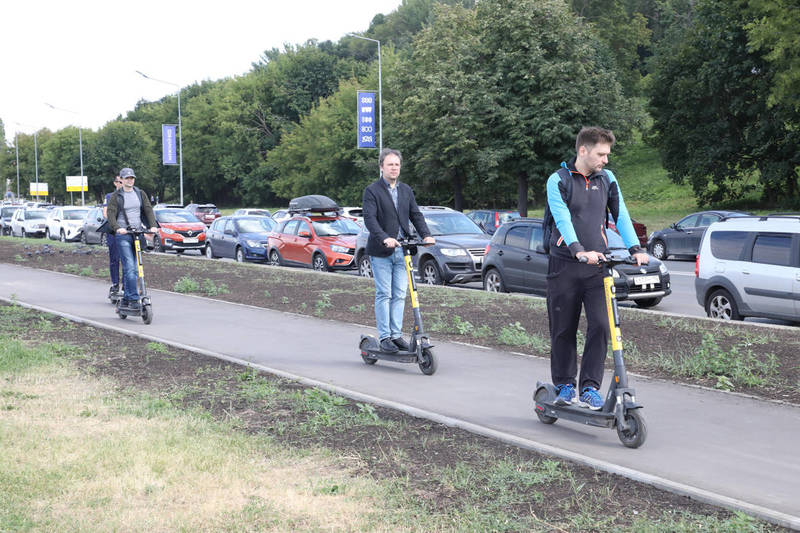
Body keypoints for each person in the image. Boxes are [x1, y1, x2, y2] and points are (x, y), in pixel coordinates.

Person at [546, 127, 648, 410]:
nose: (605, 159)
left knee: (602, 325)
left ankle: (590, 387)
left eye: (607, 154)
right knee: (563, 328)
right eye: (601, 154)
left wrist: (635, 249)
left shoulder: (607, 179)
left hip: (598, 267)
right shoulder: (558, 181)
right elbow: (563, 220)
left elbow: (621, 214)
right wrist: (578, 251)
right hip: (565, 265)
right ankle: (565, 385)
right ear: (583, 150)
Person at [362, 148, 435, 353]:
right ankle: (385, 337)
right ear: (381, 167)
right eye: (390, 164)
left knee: (400, 294)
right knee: (384, 294)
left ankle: (396, 335)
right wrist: (384, 238)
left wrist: (426, 235)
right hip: (381, 251)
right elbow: (370, 219)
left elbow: (416, 215)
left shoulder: (406, 190)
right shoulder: (372, 191)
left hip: (404, 250)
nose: (394, 168)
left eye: (397, 165)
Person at [106, 168, 158, 311]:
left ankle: (127, 298)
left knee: (135, 269)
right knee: (130, 268)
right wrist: (117, 228)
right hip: (123, 235)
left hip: (137, 234)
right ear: (121, 180)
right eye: (127, 178)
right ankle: (134, 299)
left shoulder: (140, 194)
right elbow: (110, 215)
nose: (130, 180)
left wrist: (152, 226)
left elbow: (148, 210)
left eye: (132, 178)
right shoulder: (116, 196)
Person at [103, 175, 123, 296]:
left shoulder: (132, 196)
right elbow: (105, 213)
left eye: (123, 181)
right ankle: (115, 284)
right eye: (118, 182)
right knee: (114, 259)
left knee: (128, 260)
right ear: (115, 183)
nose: (121, 183)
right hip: (114, 231)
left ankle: (127, 285)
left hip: (127, 231)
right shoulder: (109, 197)